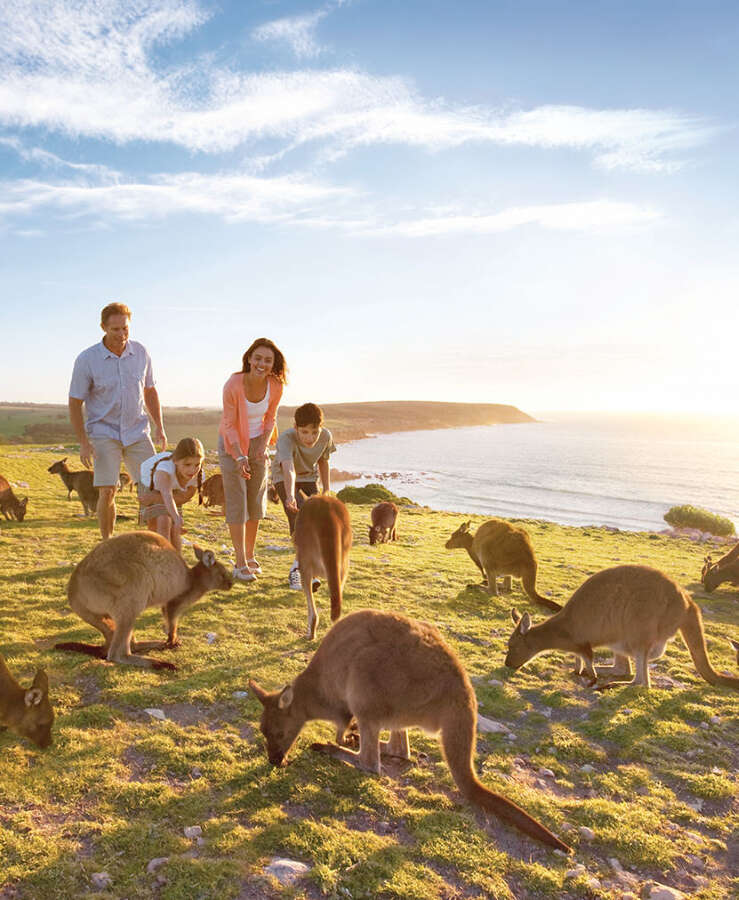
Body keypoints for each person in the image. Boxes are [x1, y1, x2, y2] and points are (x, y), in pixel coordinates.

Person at [68, 302, 166, 540]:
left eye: (125, 328)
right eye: (115, 329)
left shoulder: (141, 352)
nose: (122, 334)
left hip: (137, 431)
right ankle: (107, 543)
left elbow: (150, 392)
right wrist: (83, 442)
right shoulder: (87, 359)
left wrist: (159, 428)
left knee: (152, 486)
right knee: (108, 490)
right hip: (104, 432)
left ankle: (151, 542)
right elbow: (74, 402)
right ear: (103, 327)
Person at [218, 338, 287, 583]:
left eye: (268, 360)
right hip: (231, 445)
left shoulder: (276, 385)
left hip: (258, 444)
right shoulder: (233, 384)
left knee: (255, 501)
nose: (262, 364)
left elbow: (271, 418)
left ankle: (249, 553)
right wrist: (239, 455)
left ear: (273, 364)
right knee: (238, 501)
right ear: (249, 359)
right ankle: (239, 561)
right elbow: (228, 424)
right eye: (258, 358)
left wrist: (261, 446)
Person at [271, 402, 336, 590]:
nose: (310, 438)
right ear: (296, 428)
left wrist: (326, 491)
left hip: (309, 478)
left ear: (320, 428)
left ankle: (308, 569)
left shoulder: (326, 437)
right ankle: (296, 571)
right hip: (284, 478)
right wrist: (290, 495)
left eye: (314, 432)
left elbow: (324, 462)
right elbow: (288, 468)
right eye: (305, 432)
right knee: (298, 517)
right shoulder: (285, 439)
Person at [138, 438, 204, 552]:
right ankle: (163, 559)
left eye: (197, 464)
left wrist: (176, 519)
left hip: (172, 490)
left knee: (175, 529)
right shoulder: (164, 469)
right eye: (187, 464)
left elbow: (185, 497)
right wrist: (176, 517)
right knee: (163, 522)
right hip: (151, 485)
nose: (192, 470)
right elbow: (167, 495)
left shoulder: (198, 475)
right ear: (176, 460)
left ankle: (177, 563)